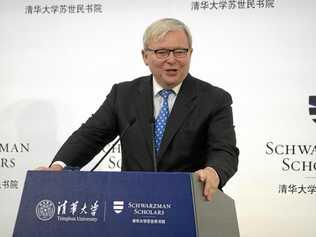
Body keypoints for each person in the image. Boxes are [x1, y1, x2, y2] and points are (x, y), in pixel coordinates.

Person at [38, 18, 239, 201]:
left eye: (180, 51)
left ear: (190, 54)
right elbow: (90, 135)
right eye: (162, 52)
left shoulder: (214, 99)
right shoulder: (123, 94)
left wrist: (214, 172)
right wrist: (59, 167)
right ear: (145, 56)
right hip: (132, 202)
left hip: (189, 203)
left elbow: (224, 150)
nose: (172, 59)